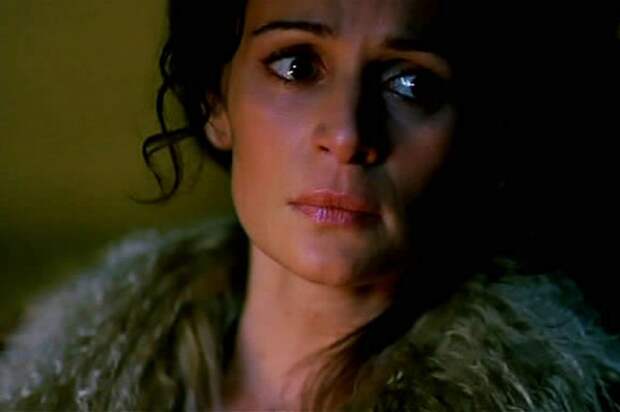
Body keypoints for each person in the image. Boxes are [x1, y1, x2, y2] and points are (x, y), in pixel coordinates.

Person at [1, 0, 619, 411]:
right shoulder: (50, 379)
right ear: (216, 102)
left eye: (410, 83)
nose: (348, 134)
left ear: (474, 133)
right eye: (297, 66)